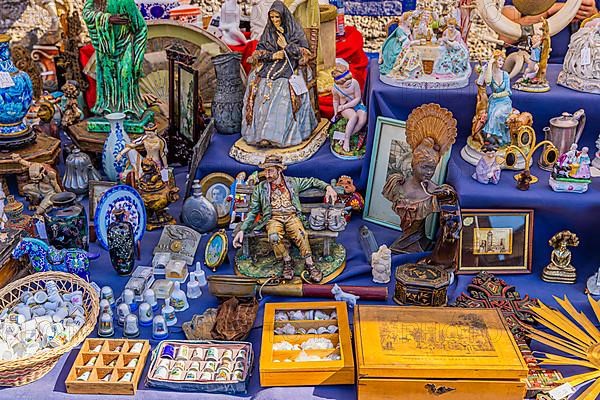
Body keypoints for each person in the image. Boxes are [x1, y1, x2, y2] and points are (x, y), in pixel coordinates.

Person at [232, 154, 338, 283]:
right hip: (273, 218)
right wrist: (242, 229)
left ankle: (310, 264)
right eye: (265, 170)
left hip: (291, 216)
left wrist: (328, 187)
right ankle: (287, 260)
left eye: (270, 170)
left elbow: (312, 181)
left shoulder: (292, 183)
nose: (267, 174)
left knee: (301, 234)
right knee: (273, 237)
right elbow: (253, 211)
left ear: (279, 170)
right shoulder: (260, 188)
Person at [243, 1, 316, 148]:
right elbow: (260, 50)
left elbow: (304, 52)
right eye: (272, 17)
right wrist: (272, 56)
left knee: (282, 88)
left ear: (283, 17)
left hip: (291, 66)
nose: (275, 20)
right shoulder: (268, 31)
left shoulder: (294, 30)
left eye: (277, 17)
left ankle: (276, 135)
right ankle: (260, 134)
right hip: (271, 66)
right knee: (258, 84)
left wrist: (286, 47)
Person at [82, 0, 147, 118]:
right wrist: (107, 19)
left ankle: (128, 110)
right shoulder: (95, 2)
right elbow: (86, 13)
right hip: (106, 49)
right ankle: (107, 109)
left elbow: (141, 27)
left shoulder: (126, 2)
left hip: (125, 46)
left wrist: (137, 57)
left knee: (125, 76)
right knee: (107, 79)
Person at [502, 0, 599, 63]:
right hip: (528, 66)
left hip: (581, 69)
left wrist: (594, 15)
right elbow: (505, 38)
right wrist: (548, 12)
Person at [331, 59, 367, 152]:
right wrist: (335, 112)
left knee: (362, 119)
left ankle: (346, 136)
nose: (349, 85)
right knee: (353, 117)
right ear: (339, 84)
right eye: (347, 85)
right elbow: (335, 100)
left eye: (350, 83)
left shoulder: (354, 83)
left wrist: (345, 106)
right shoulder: (335, 89)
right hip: (345, 106)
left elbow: (358, 98)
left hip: (356, 104)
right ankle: (346, 140)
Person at [482, 50, 513, 146]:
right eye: (499, 60)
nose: (501, 63)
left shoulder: (505, 75)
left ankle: (495, 137)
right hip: (494, 102)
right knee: (492, 113)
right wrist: (490, 64)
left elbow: (508, 91)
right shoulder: (490, 75)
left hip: (505, 101)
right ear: (494, 60)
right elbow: (487, 82)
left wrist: (498, 95)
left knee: (496, 114)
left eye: (502, 61)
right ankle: (491, 139)